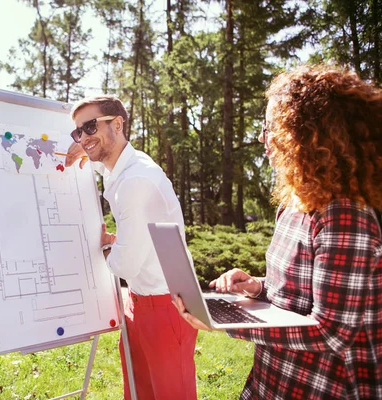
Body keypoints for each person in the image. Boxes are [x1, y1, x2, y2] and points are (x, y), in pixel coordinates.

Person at [173, 65, 382, 399]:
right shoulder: (294, 202)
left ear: (307, 134)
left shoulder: (345, 215)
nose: (262, 138)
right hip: (274, 379)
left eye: (271, 128)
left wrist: (233, 324)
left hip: (325, 387)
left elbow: (331, 333)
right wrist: (257, 287)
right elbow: (301, 293)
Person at [65, 95, 198, 400]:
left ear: (118, 124)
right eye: (78, 132)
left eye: (89, 127)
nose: (83, 137)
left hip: (168, 306)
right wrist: (87, 149)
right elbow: (110, 171)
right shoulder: (126, 168)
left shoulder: (136, 180)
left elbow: (125, 266)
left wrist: (107, 248)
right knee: (138, 394)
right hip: (143, 300)